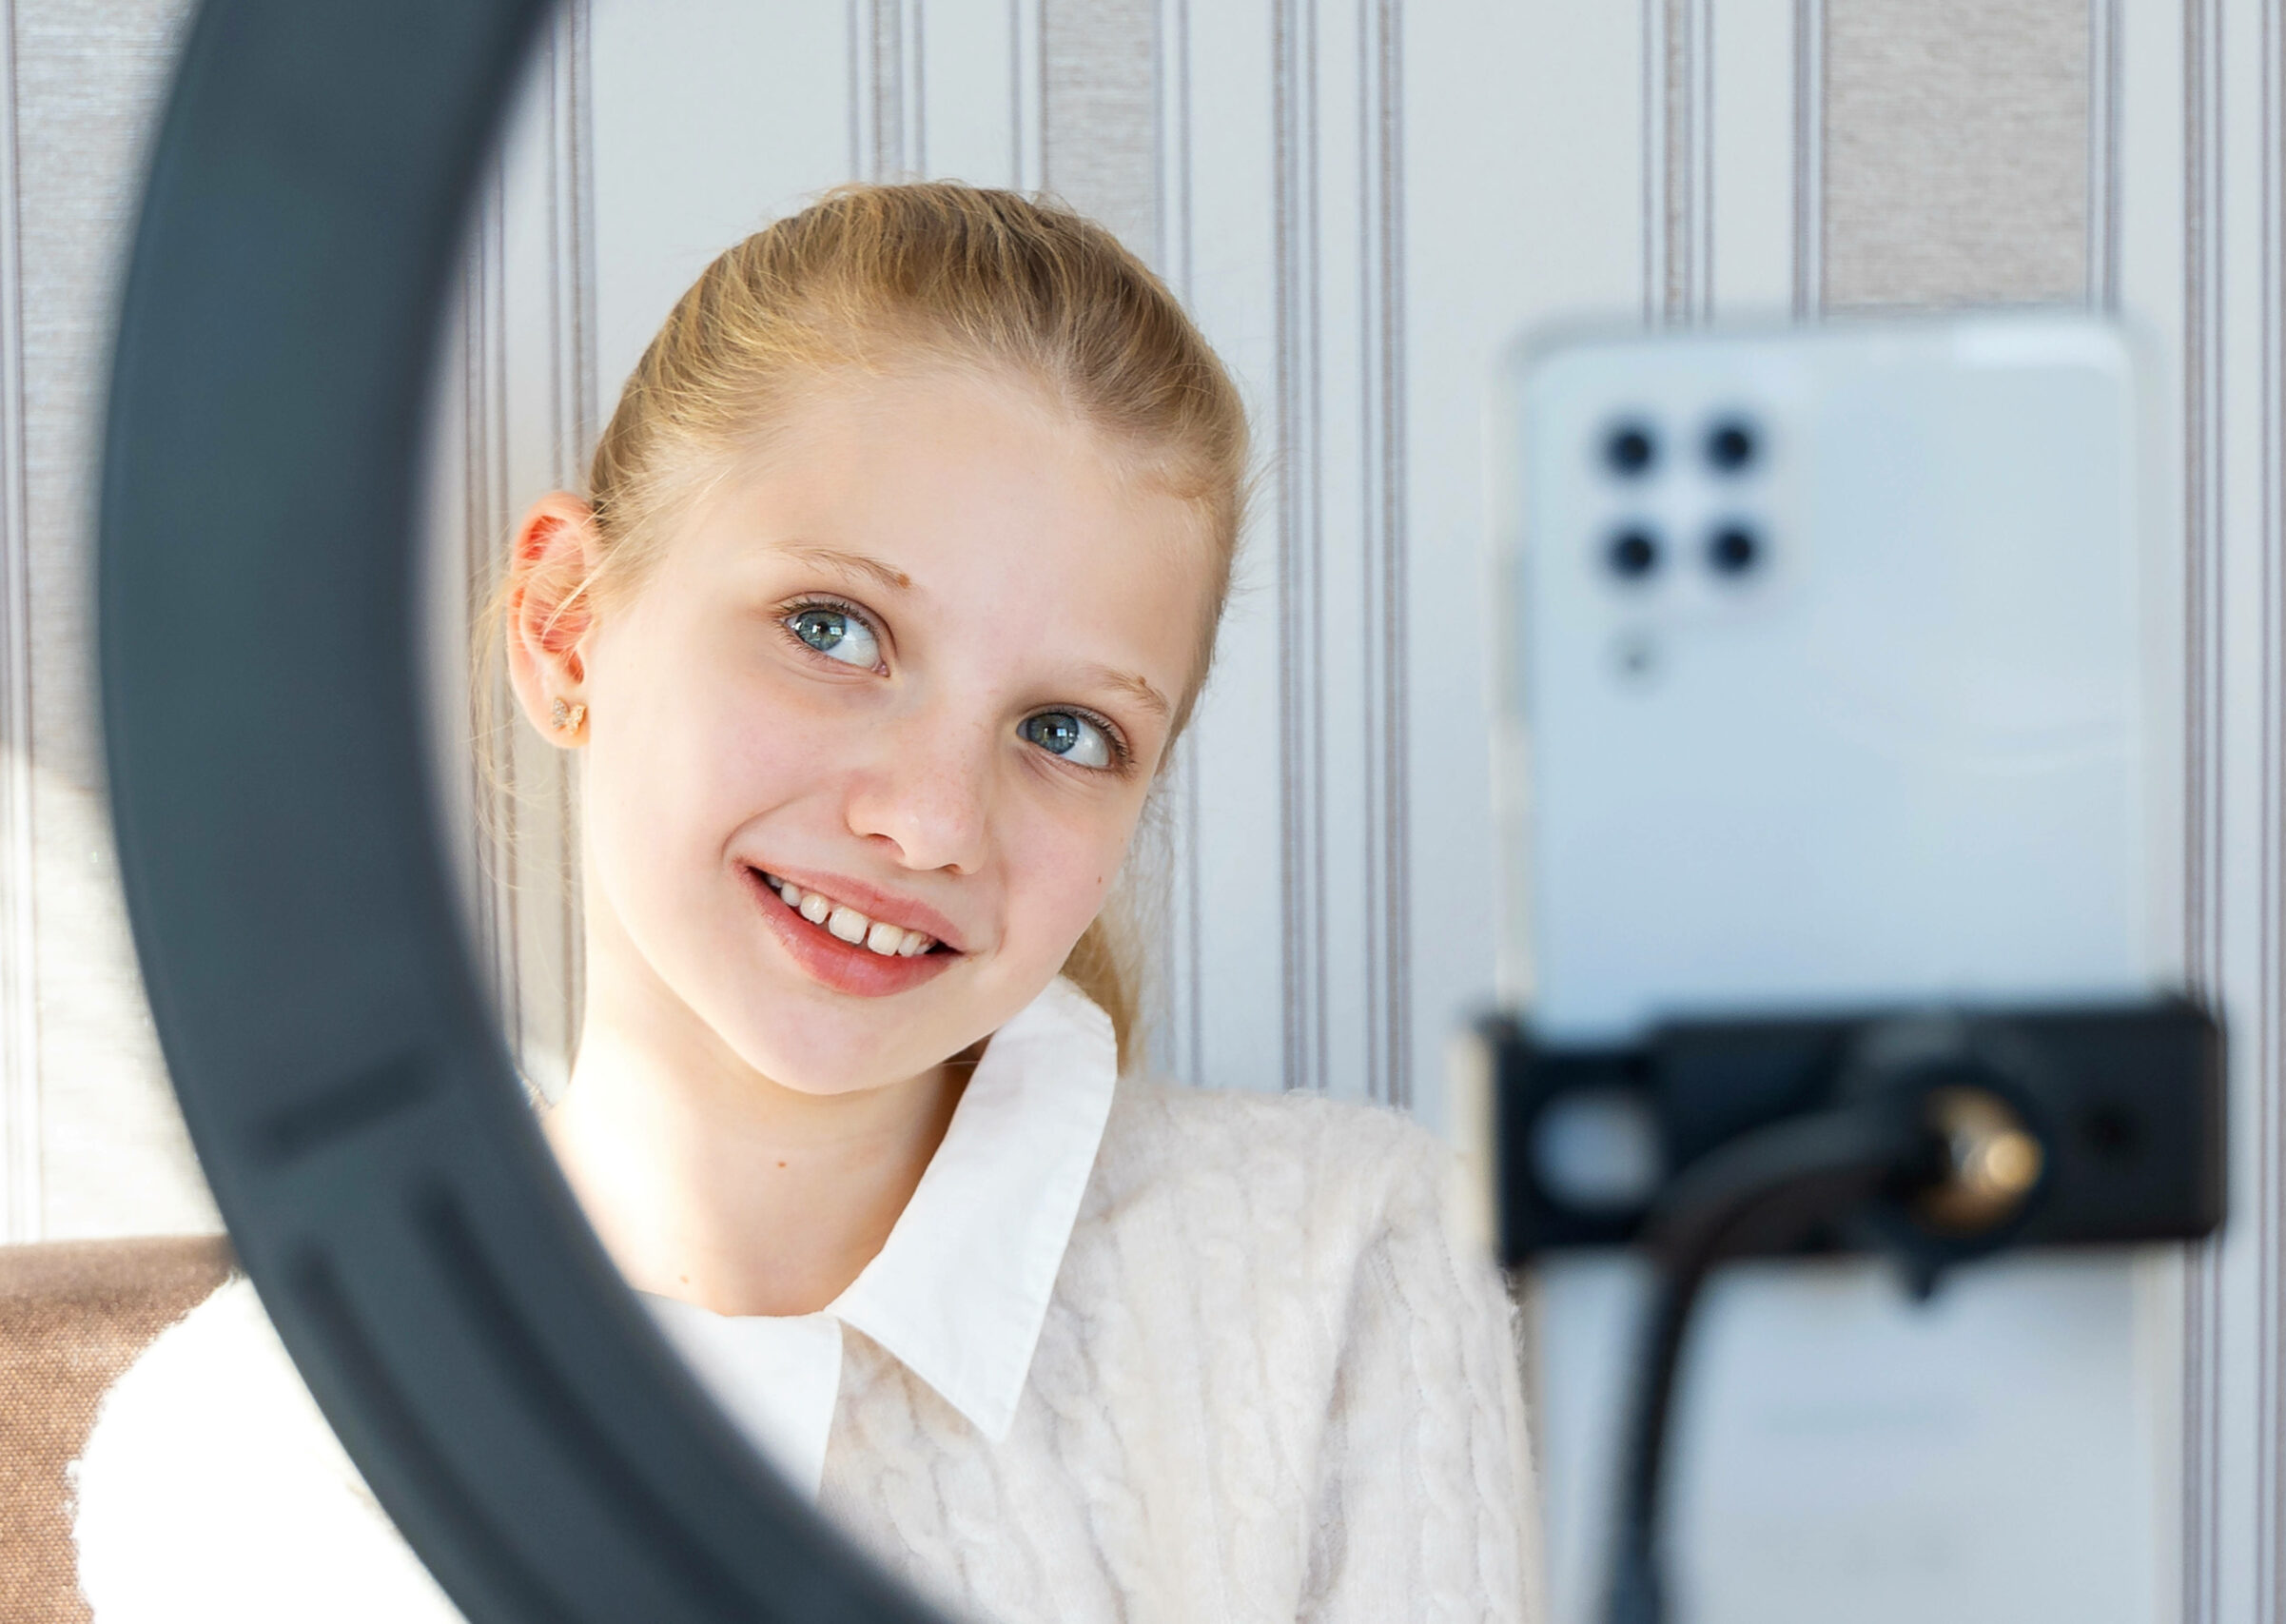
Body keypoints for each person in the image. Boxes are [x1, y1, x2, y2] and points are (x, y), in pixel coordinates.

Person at [72, 183, 1536, 1623]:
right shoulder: (259, 1448)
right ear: (567, 626)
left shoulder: (1353, 1264)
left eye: (1067, 730)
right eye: (833, 631)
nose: (930, 820)